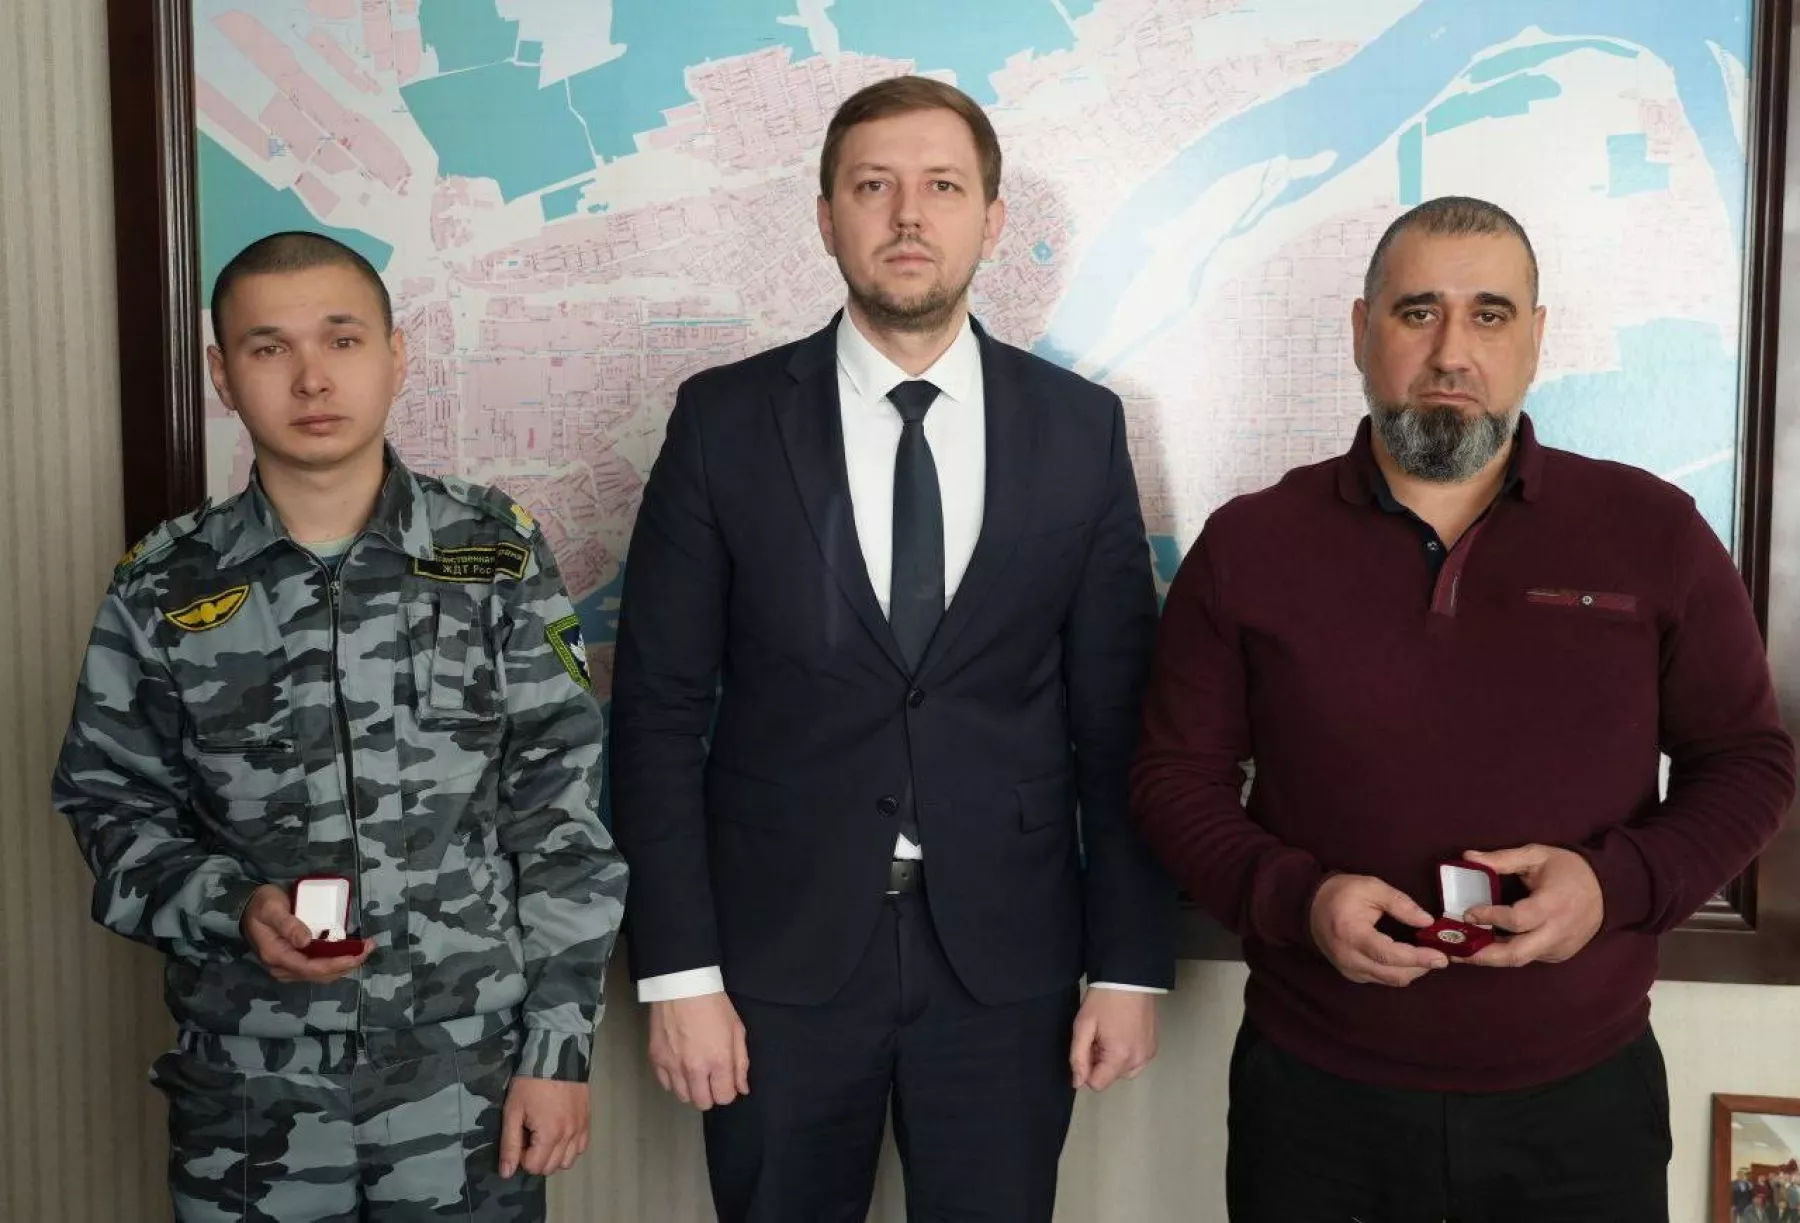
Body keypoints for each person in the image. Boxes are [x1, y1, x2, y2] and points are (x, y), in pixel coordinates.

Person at [1130, 195, 1795, 1220]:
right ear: (1363, 330)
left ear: (1537, 337)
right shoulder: (1251, 542)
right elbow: (1173, 778)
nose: (1452, 351)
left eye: (1490, 314)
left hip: (1583, 1106)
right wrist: (1298, 898)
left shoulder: (1654, 531)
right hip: (1315, 1103)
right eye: (1417, 312)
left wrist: (1612, 885)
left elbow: (1750, 762)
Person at [610, 75, 1175, 1221]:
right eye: (874, 186)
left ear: (993, 220)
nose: (909, 215)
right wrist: (678, 972)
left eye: (943, 187)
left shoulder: (1080, 429)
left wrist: (1127, 963)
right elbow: (656, 712)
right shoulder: (723, 422)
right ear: (827, 218)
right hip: (773, 968)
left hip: (1006, 968)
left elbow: (1118, 719)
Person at [52, 232, 628, 1221]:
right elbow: (111, 810)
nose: (312, 377)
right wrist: (232, 904)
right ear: (222, 375)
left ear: (395, 357)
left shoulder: (494, 555)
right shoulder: (166, 583)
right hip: (249, 1090)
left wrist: (558, 1049)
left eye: (342, 339)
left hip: (467, 1077)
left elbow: (559, 818)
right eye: (269, 347)